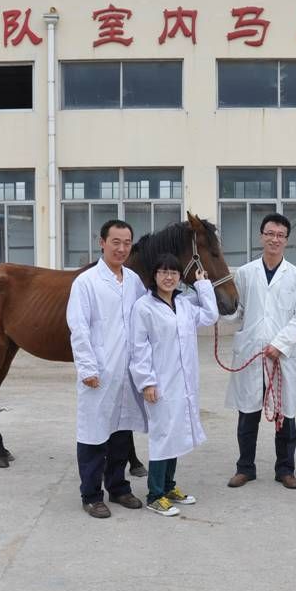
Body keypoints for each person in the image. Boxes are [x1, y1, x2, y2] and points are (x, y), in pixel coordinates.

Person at [66, 219, 148, 518]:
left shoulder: (134, 281)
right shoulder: (86, 283)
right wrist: (87, 368)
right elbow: (79, 327)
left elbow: (143, 321)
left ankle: (119, 488)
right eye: (116, 242)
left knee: (121, 434)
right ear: (102, 242)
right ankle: (90, 495)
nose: (122, 248)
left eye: (127, 243)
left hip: (127, 373)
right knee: (93, 435)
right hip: (98, 373)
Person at [225, 213, 296, 490]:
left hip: (281, 356)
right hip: (251, 353)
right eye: (270, 233)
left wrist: (280, 344)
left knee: (284, 415)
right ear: (261, 236)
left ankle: (285, 469)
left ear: (286, 240)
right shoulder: (245, 273)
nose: (274, 239)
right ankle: (245, 468)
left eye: (280, 235)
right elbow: (236, 311)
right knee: (247, 414)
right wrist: (210, 301)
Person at [129, 253, 218, 516]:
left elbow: (211, 315)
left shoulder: (185, 304)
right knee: (162, 437)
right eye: (163, 272)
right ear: (154, 276)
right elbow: (138, 347)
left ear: (180, 277)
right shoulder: (143, 307)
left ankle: (169, 487)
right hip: (160, 383)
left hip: (185, 383)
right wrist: (147, 382)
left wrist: (203, 286)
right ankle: (155, 494)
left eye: (174, 273)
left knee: (176, 434)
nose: (168, 277)